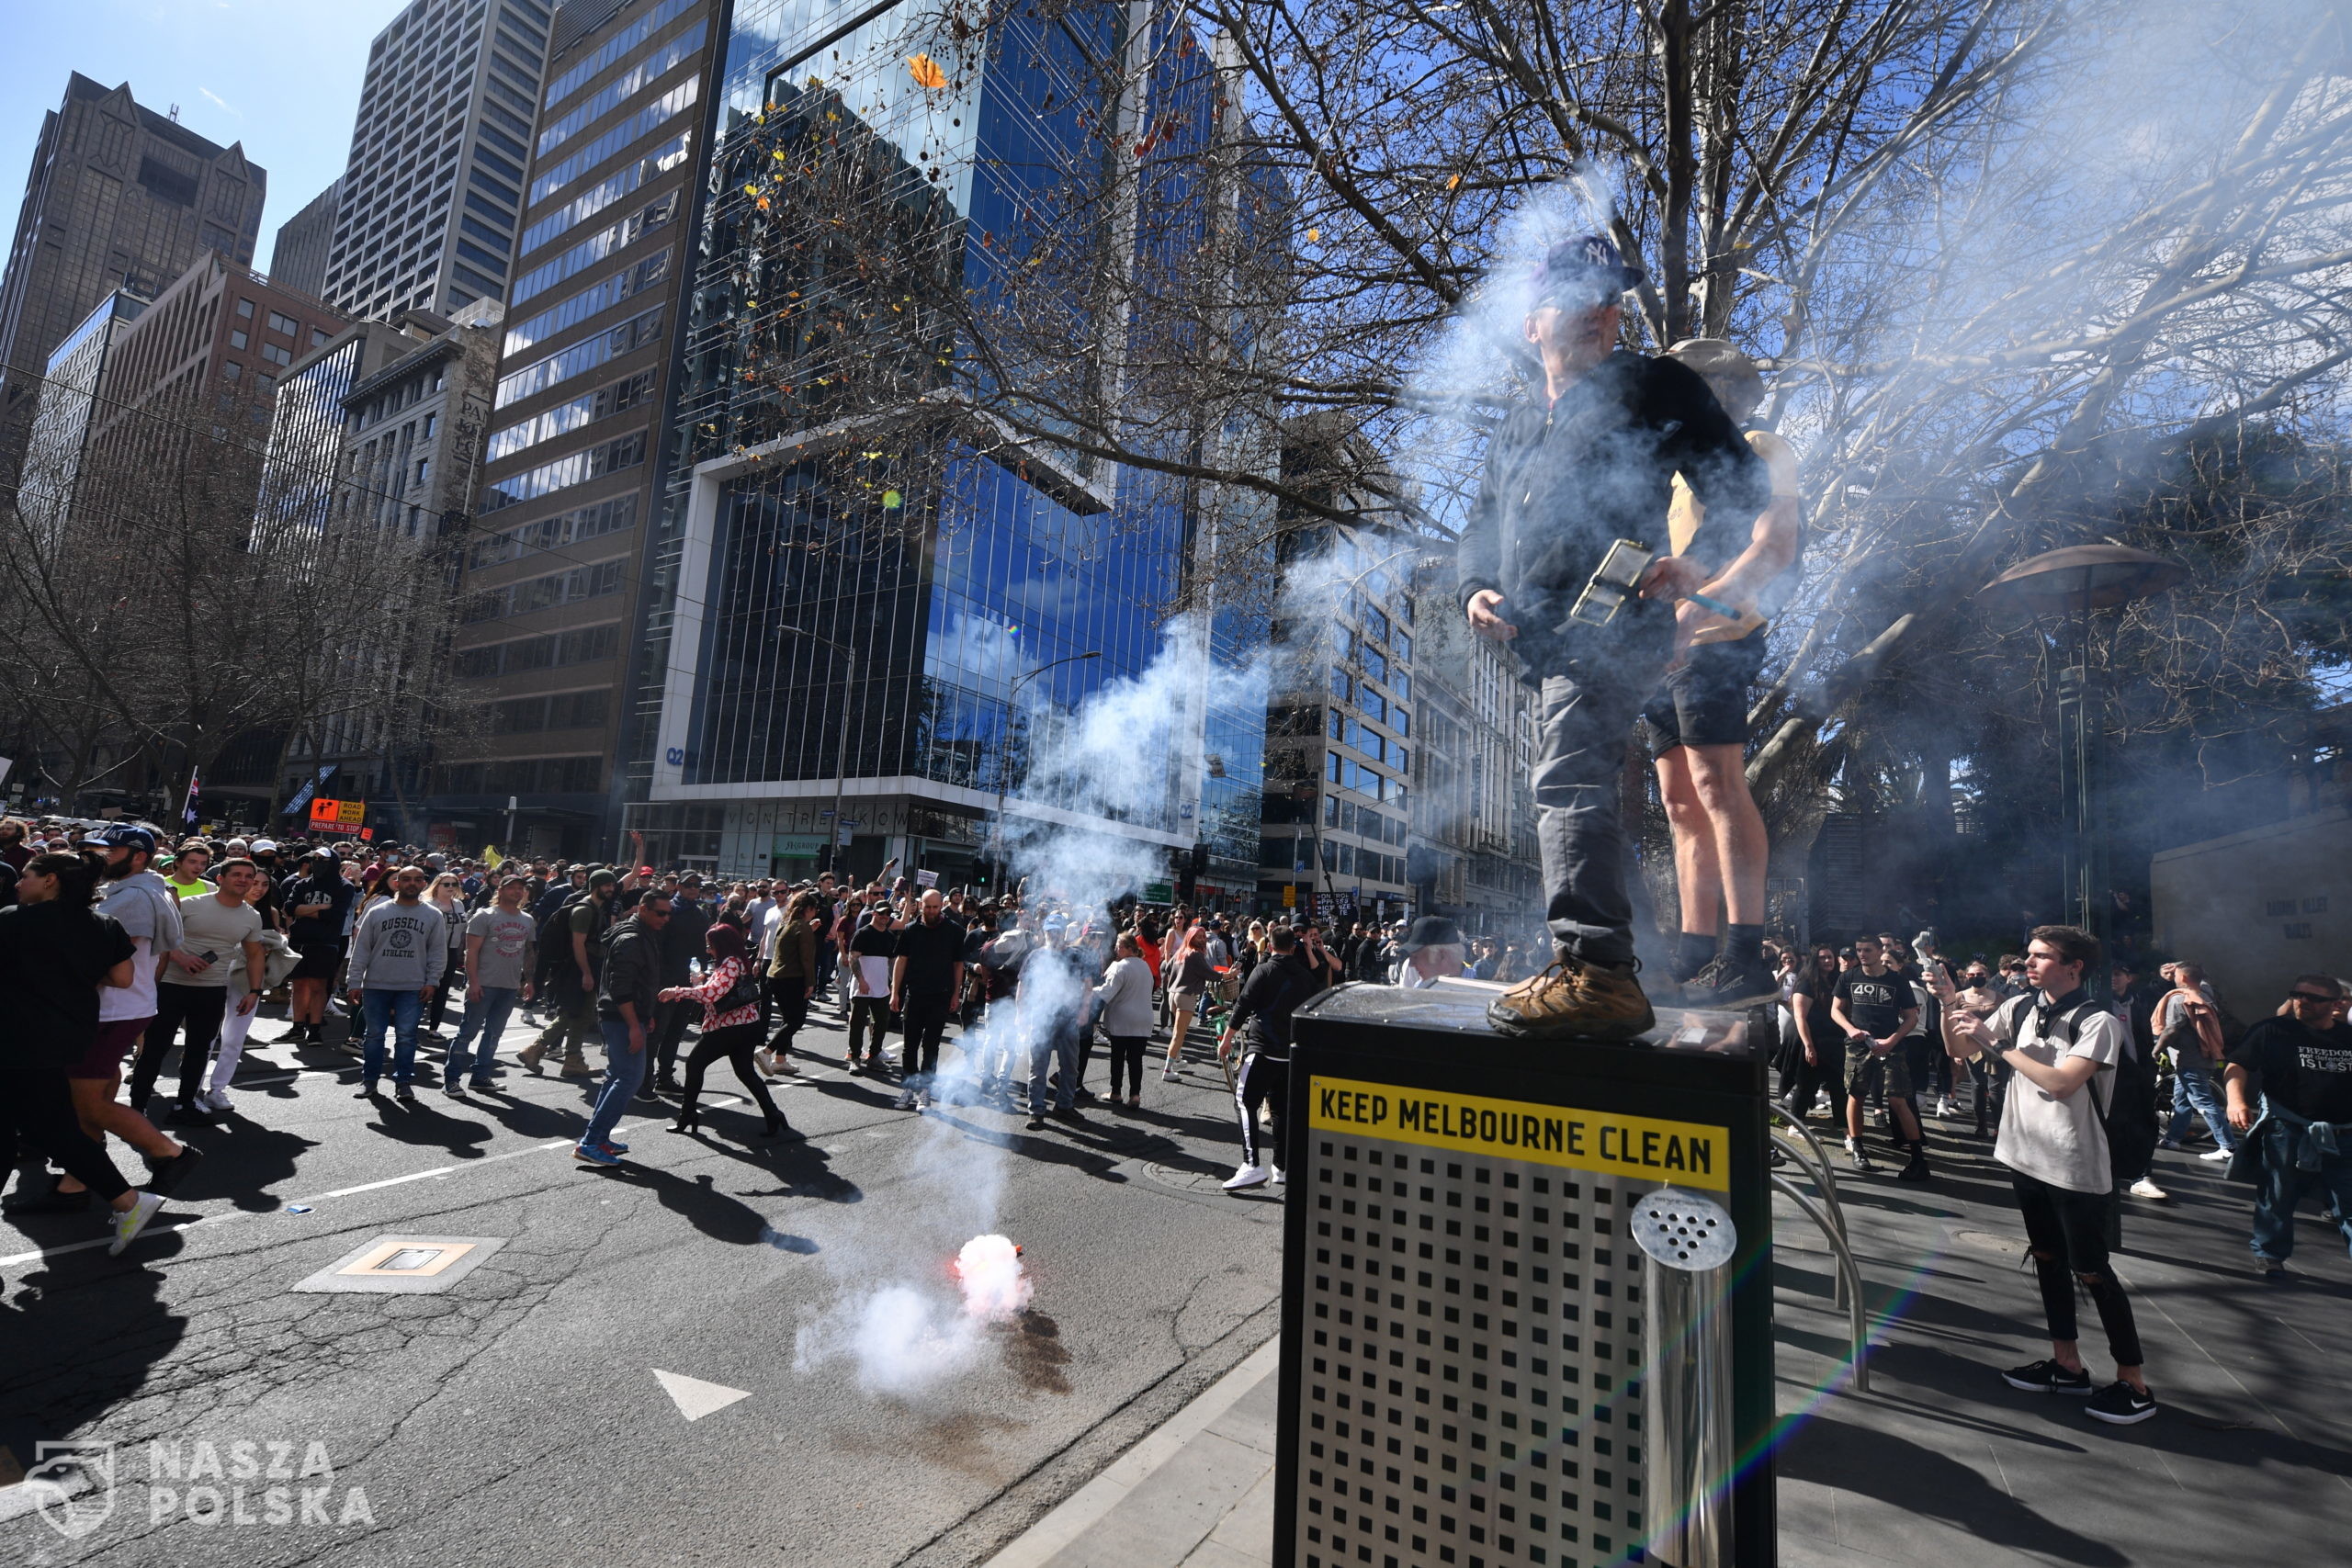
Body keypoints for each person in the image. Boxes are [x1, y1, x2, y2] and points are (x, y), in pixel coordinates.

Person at [1461, 235, 1772, 1042]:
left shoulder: (1653, 383)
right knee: (1581, 782)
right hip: (1540, 644)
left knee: (1564, 779)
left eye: (1611, 300)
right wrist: (1475, 587)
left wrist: (1696, 564)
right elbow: (1480, 525)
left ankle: (1596, 971)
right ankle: (1635, 965)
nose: (1603, 313)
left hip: (1613, 626)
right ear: (1534, 324)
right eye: (1580, 298)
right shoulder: (1520, 420)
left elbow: (1742, 485)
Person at [1935, 925, 2154, 1424]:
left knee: (2093, 1271)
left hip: (2075, 1164)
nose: (2029, 964)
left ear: (2074, 966)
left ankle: (2133, 1381)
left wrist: (1999, 1045)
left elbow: (2061, 1084)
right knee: (2048, 1259)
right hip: (2026, 1156)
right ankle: (2066, 1364)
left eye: (2042, 957)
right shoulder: (2020, 1008)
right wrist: (1952, 1007)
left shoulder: (2097, 1021)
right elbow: (1959, 1051)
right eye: (2030, 956)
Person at [1647, 339, 1803, 1007]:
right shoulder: (1673, 471)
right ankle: (1693, 950)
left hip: (1719, 634)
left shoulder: (1763, 447)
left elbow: (1770, 542)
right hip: (1663, 648)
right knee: (1679, 799)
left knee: (1716, 783)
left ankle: (1745, 953)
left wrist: (1694, 614)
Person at [0, 852, 170, 1254]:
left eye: (27, 876)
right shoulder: (104, 924)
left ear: (51, 879)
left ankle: (129, 1201)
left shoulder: (12, 920)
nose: (19, 883)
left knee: (41, 1130)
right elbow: (123, 978)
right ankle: (127, 1201)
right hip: (65, 1037)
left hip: (16, 1038)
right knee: (50, 1130)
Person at [2222, 974, 2352, 1278]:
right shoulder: (2272, 1030)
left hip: (2345, 1134)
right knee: (2278, 1195)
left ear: (2336, 1005)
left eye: (2313, 998)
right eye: (2297, 994)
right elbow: (2237, 1065)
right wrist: (2235, 1101)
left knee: (2349, 1203)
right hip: (2287, 1128)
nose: (2302, 1001)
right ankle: (2269, 1254)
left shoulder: (2348, 1036)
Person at [661, 920, 787, 1140]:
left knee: (695, 1064)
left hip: (729, 1026)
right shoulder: (736, 961)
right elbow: (720, 987)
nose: (708, 950)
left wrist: (678, 991)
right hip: (745, 1024)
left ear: (723, 945)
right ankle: (773, 1113)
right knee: (745, 1072)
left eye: (711, 946)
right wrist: (704, 980)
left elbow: (712, 994)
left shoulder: (730, 962)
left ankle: (687, 1115)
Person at [1218, 925, 1319, 1191]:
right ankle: (1281, 1167)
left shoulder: (1263, 970)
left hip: (1263, 1048)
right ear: (1293, 947)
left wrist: (1227, 1038)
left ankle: (1251, 1165)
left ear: (1270, 945)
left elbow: (1243, 1004)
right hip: (1290, 1052)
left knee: (1243, 1101)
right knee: (1280, 1110)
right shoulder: (1304, 975)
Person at [576, 889, 671, 1165]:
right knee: (630, 1078)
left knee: (617, 1076)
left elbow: (636, 984)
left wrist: (645, 1015)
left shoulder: (641, 933)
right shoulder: (631, 939)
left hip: (627, 1015)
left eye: (668, 913)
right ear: (643, 909)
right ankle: (592, 1141)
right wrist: (633, 1025)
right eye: (660, 913)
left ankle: (599, 1138)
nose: (665, 918)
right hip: (620, 1018)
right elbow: (621, 988)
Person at [1831, 933, 1929, 1179]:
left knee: (1898, 1100)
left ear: (1878, 951)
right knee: (1856, 1095)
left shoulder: (1897, 981)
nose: (1862, 954)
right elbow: (1835, 1010)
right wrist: (1851, 1029)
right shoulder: (1848, 977)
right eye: (1859, 950)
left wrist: (1892, 1041)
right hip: (1858, 1046)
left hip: (1891, 1046)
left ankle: (1917, 1157)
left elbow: (1911, 1017)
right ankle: (1858, 1147)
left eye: (1867, 950)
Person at [346, 864, 448, 1100]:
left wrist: (433, 981)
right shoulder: (378, 911)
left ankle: (403, 1082)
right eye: (406, 879)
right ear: (397, 883)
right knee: (374, 1036)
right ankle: (369, 1080)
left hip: (413, 986)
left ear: (424, 884)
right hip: (376, 984)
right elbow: (361, 949)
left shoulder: (433, 915)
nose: (411, 883)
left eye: (417, 879)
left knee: (406, 1036)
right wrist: (354, 982)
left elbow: (437, 953)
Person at [444, 875, 537, 1094]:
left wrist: (530, 981)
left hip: (509, 985)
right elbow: (471, 952)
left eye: (520, 888)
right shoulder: (484, 916)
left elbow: (529, 953)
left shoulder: (527, 919)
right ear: (501, 891)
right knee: (467, 1032)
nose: (516, 892)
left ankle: (480, 1076)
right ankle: (451, 1079)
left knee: (494, 1034)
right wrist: (473, 982)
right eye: (511, 887)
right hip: (484, 984)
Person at [522, 868, 614, 1079]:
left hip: (588, 966)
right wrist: (586, 973)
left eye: (612, 885)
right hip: (578, 968)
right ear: (596, 886)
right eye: (607, 885)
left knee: (581, 1014)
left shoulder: (597, 908)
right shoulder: (584, 910)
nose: (611, 889)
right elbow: (578, 944)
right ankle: (535, 1049)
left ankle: (573, 1060)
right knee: (572, 1012)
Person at [890, 888, 966, 1111]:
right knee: (909, 1046)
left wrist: (955, 994)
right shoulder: (911, 930)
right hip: (915, 995)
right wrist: (895, 992)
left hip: (941, 996)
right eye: (928, 907)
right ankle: (908, 1088)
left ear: (940, 906)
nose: (932, 911)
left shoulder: (954, 931)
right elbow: (901, 961)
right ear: (921, 906)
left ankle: (925, 1090)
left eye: (935, 907)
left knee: (931, 1046)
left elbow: (958, 964)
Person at [2156, 962, 2236, 1163]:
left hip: (2189, 1059)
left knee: (2202, 1101)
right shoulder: (2206, 993)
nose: (2173, 977)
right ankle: (2173, 1138)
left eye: (2175, 974)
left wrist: (2156, 1050)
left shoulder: (2179, 999)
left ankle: (2228, 1145)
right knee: (2182, 1101)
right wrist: (2185, 966)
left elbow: (2172, 1029)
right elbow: (2202, 975)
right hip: (2203, 1056)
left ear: (2182, 978)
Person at [278, 849, 356, 1046]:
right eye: (315, 859)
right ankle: (297, 1027)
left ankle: (314, 1030)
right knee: (299, 985)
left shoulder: (344, 886)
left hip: (326, 942)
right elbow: (289, 908)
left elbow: (336, 915)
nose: (318, 862)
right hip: (299, 940)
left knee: (318, 986)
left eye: (323, 859)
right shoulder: (302, 883)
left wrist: (303, 910)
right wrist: (321, 908)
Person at [650, 874, 713, 1094]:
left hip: (688, 983)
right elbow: (658, 945)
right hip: (666, 980)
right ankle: (645, 1080)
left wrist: (703, 974)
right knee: (657, 1032)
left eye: (697, 886)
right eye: (689, 885)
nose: (694, 889)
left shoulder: (700, 913)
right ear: (679, 887)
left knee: (676, 1031)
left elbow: (701, 947)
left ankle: (664, 1077)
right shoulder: (670, 910)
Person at [1092, 931, 1156, 1111]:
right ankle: (1135, 1095)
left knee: (1118, 1057)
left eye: (1119, 946)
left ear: (1129, 948)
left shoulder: (1120, 967)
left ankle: (1116, 1092)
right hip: (1143, 1019)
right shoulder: (1145, 967)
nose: (1116, 949)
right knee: (1136, 1059)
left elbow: (1106, 992)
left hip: (1123, 1019)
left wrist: (1089, 990)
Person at [761, 889, 820, 1075]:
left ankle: (780, 1059)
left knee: (788, 1019)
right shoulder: (803, 927)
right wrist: (810, 982)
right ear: (808, 909)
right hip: (793, 978)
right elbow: (807, 959)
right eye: (814, 909)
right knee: (796, 1020)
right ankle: (766, 1052)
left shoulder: (786, 923)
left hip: (775, 976)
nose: (815, 913)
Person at [844, 901, 899, 1076]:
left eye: (888, 914)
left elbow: (892, 961)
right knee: (857, 1023)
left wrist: (893, 983)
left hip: (881, 988)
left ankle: (874, 1056)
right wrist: (861, 980)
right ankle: (854, 1058)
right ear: (874, 913)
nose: (884, 917)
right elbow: (853, 958)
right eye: (881, 913)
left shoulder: (890, 936)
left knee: (882, 1021)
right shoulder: (863, 933)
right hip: (862, 987)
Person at [1159, 926, 1215, 1083]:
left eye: (1204, 936)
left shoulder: (1181, 951)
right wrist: (1229, 974)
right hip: (1186, 996)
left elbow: (1167, 967)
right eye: (1199, 936)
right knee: (1179, 1034)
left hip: (1173, 995)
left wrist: (1179, 978)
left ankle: (1176, 1061)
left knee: (1179, 1032)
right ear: (1190, 937)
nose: (1202, 939)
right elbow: (1210, 974)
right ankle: (1167, 1070)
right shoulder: (1196, 954)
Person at [1395, 916, 1467, 987]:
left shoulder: (1476, 982)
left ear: (1442, 956)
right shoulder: (1420, 986)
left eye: (1416, 957)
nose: (1411, 964)